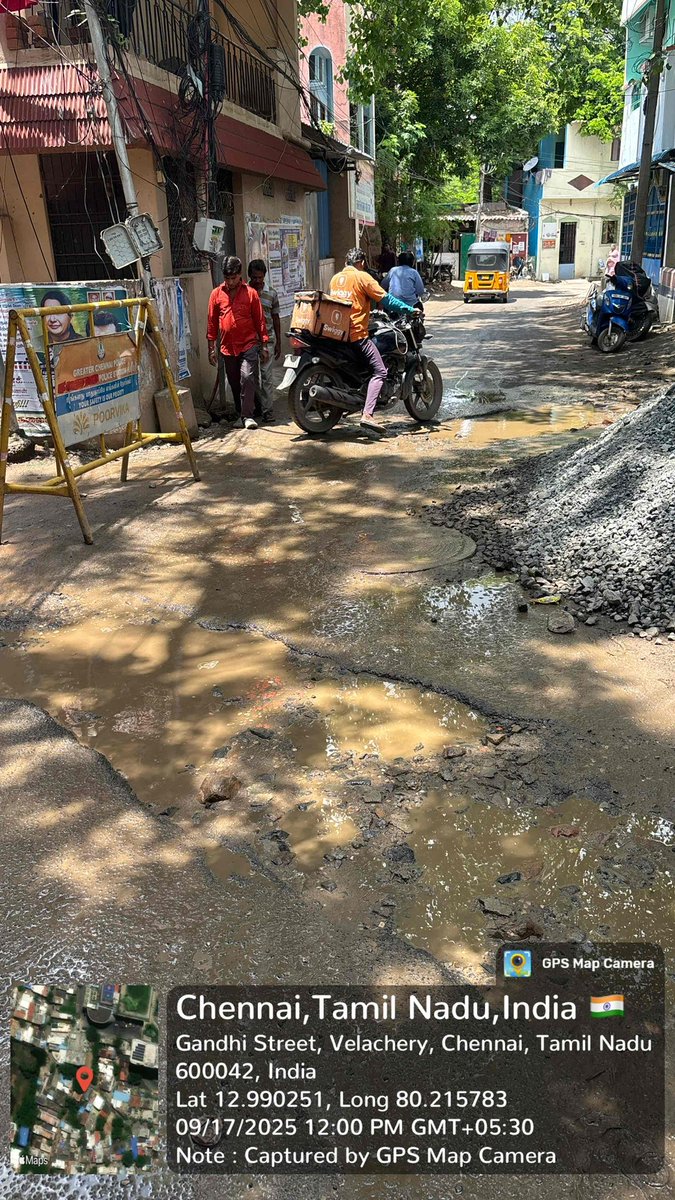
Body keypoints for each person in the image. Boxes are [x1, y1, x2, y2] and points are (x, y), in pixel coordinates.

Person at [329, 247, 415, 436]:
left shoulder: (335, 278)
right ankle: (368, 414)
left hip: (336, 334)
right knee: (380, 370)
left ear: (346, 263)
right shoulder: (362, 277)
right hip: (356, 335)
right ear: (362, 263)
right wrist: (408, 309)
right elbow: (386, 299)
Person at [207, 254, 269, 430]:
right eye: (227, 278)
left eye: (233, 278)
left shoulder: (251, 294)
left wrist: (264, 345)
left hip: (249, 344)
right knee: (235, 382)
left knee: (247, 376)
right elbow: (211, 322)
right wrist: (211, 348)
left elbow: (260, 321)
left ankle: (247, 416)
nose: (230, 282)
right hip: (227, 347)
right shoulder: (216, 294)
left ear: (240, 275)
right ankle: (244, 410)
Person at [248, 258, 281, 423]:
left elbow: (275, 318)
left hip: (267, 340)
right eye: (254, 278)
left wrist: (279, 343)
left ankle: (268, 411)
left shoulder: (272, 293)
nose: (258, 281)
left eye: (260, 278)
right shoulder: (244, 293)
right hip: (249, 342)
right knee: (251, 377)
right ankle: (258, 407)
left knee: (266, 377)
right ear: (249, 277)